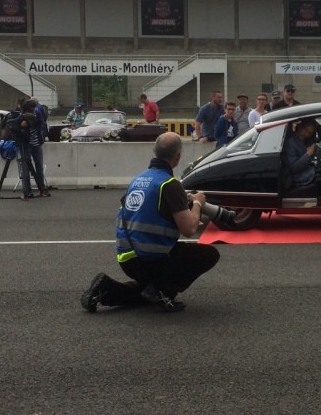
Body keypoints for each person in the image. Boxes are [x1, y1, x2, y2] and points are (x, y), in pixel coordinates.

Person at [81, 132, 220, 313]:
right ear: (178, 156)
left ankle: (105, 289)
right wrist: (197, 203)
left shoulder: (138, 179)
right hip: (150, 258)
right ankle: (164, 291)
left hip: (127, 258)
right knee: (209, 254)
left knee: (144, 294)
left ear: (155, 152)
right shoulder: (169, 184)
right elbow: (189, 228)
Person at [15, 97, 49, 199]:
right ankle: (34, 190)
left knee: (32, 167)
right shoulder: (24, 115)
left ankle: (33, 191)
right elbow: (42, 125)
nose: (34, 110)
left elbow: (42, 125)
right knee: (31, 167)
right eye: (33, 108)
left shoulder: (31, 115)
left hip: (31, 144)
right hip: (30, 144)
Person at [284, 118, 318, 191]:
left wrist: (319, 128)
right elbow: (293, 168)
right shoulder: (291, 142)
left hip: (308, 170)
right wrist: (308, 154)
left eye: (310, 133)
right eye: (306, 130)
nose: (307, 134)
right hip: (299, 177)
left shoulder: (306, 140)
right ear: (300, 127)